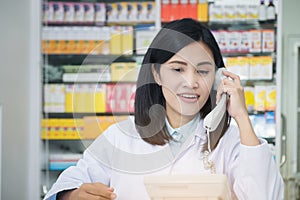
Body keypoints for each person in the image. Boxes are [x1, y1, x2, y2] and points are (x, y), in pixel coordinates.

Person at [44, 18, 284, 200]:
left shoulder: (232, 142)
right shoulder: (121, 138)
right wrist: (70, 195)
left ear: (219, 78)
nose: (191, 82)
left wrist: (241, 117)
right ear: (156, 73)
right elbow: (66, 186)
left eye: (202, 70)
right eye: (178, 69)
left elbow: (266, 195)